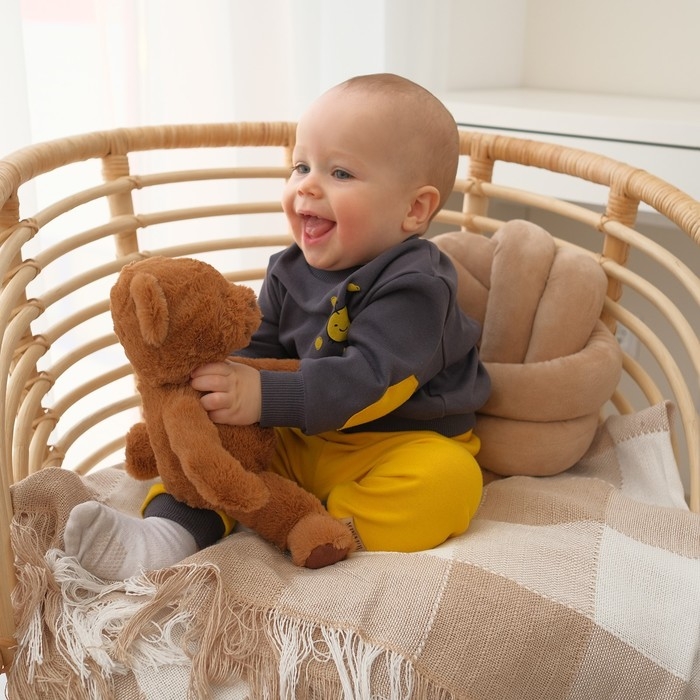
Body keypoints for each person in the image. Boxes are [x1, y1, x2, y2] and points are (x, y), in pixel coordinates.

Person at [64, 73, 491, 579]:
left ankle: (332, 526)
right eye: (301, 166)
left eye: (340, 173)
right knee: (210, 449)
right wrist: (216, 393)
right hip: (299, 434)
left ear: (413, 209)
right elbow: (258, 345)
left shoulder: (417, 284)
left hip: (392, 444)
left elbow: (374, 382)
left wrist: (263, 396)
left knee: (449, 481)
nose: (306, 185)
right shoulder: (289, 268)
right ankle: (164, 535)